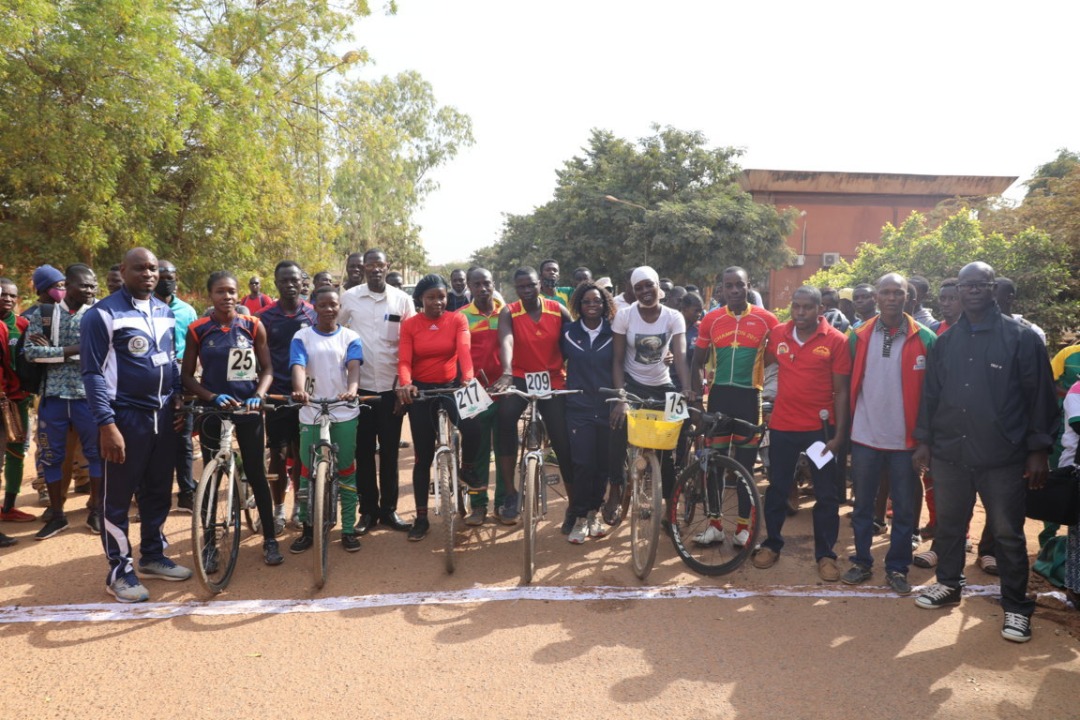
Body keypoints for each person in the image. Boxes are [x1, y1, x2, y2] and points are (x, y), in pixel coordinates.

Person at [912, 261, 1058, 643]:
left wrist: (1038, 450)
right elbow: (931, 396)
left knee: (1008, 534)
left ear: (993, 289)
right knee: (949, 527)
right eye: (966, 285)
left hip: (1002, 457)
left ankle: (1015, 607)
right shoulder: (945, 341)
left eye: (981, 284)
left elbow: (1040, 398)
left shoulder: (1022, 338)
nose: (973, 290)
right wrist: (924, 441)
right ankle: (948, 584)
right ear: (958, 291)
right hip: (950, 454)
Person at [81, 248, 192, 603]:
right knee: (117, 499)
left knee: (158, 490)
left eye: (153, 269)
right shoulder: (103, 314)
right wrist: (106, 424)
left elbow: (170, 361)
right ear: (123, 271)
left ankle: (153, 556)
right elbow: (93, 373)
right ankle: (119, 572)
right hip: (124, 417)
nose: (148, 274)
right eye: (140, 268)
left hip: (162, 416)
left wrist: (177, 396)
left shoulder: (164, 311)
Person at [842, 274, 936, 596]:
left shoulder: (925, 338)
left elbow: (932, 396)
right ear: (877, 298)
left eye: (899, 292)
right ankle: (862, 561)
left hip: (905, 443)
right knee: (862, 507)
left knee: (905, 510)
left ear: (909, 298)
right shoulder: (856, 336)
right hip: (865, 436)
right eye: (886, 292)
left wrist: (924, 441)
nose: (892, 297)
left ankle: (897, 568)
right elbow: (843, 386)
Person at [182, 271, 282, 564]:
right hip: (214, 410)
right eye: (219, 292)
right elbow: (187, 376)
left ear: (239, 294)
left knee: (255, 472)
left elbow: (268, 370)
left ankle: (270, 540)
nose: (226, 297)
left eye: (231, 291)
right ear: (209, 295)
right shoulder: (197, 329)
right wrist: (211, 396)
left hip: (247, 409)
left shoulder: (253, 325)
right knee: (211, 479)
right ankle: (210, 544)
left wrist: (259, 395)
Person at [754, 286, 851, 582]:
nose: (800, 313)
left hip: (820, 434)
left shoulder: (836, 341)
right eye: (796, 307)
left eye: (807, 308)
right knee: (778, 489)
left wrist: (839, 437)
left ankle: (825, 555)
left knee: (825, 494)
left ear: (820, 309)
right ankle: (772, 544)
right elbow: (768, 363)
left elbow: (842, 391)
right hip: (783, 427)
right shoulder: (780, 334)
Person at [688, 267, 778, 546]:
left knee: (744, 467)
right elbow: (697, 362)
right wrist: (695, 399)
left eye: (740, 285)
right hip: (718, 400)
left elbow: (775, 357)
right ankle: (714, 525)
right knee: (713, 465)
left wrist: (756, 375)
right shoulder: (712, 320)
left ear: (748, 285)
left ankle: (743, 528)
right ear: (722, 289)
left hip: (749, 399)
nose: (735, 290)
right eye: (729, 286)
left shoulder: (767, 320)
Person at [337, 249, 415, 534]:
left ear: (387, 266)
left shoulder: (402, 299)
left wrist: (403, 387)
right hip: (361, 390)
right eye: (370, 265)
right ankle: (367, 511)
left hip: (393, 390)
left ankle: (389, 511)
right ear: (363, 268)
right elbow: (337, 330)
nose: (375, 269)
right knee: (364, 451)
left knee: (391, 453)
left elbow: (411, 343)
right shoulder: (350, 298)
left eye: (380, 265)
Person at [24, 264, 104, 539]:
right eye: (85, 285)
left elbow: (101, 354)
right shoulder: (44, 314)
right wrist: (73, 350)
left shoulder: (97, 315)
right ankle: (58, 516)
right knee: (52, 457)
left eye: (94, 286)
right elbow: (32, 354)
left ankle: (95, 511)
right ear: (66, 286)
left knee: (97, 455)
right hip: (53, 397)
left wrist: (53, 351)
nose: (91, 290)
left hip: (88, 396)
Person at [493, 267, 574, 525]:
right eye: (521, 287)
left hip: (552, 379)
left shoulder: (557, 309)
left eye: (531, 285)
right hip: (519, 376)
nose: (527, 291)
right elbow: (506, 340)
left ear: (540, 284)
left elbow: (574, 342)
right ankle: (509, 492)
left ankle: (574, 503)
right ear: (516, 289)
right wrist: (506, 372)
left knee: (562, 436)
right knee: (504, 419)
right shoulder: (510, 311)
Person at [397, 275, 474, 541]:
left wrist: (468, 378)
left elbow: (464, 351)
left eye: (441, 296)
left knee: (474, 426)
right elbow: (404, 360)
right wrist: (406, 384)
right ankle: (420, 518)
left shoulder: (457, 319)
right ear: (420, 299)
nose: (437, 302)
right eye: (431, 297)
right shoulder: (410, 325)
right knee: (422, 458)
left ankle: (467, 473)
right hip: (421, 392)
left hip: (452, 386)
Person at [288, 286, 364, 553]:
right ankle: (309, 529)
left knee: (346, 471)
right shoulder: (302, 336)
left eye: (334, 305)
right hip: (311, 410)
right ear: (315, 308)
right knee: (308, 472)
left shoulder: (351, 337)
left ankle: (347, 529)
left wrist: (352, 391)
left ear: (339, 307)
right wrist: (299, 391)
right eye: (323, 305)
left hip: (343, 410)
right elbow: (298, 364)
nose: (330, 309)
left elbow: (353, 368)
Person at [610, 266, 690, 506]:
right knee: (616, 430)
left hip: (663, 384)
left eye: (649, 285)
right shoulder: (624, 315)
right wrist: (621, 397)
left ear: (658, 287)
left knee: (677, 433)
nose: (645, 291)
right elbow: (617, 359)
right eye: (639, 287)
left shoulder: (673, 317)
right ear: (633, 291)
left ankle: (669, 505)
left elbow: (681, 356)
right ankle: (615, 488)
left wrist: (685, 389)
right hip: (632, 384)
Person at [258, 261, 318, 532]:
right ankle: (277, 509)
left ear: (302, 282)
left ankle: (298, 508)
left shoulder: (314, 314)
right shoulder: (265, 316)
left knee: (303, 455)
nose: (290, 285)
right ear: (276, 283)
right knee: (279, 456)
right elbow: (259, 358)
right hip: (277, 396)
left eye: (295, 280)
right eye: (284, 280)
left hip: (307, 396)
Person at [561, 281, 616, 543]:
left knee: (602, 465)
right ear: (578, 305)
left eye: (597, 301)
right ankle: (580, 517)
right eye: (587, 301)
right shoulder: (568, 332)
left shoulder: (615, 332)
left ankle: (594, 512)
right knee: (583, 463)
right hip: (578, 408)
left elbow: (627, 362)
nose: (592, 305)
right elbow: (554, 362)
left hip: (608, 408)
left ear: (605, 304)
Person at [457, 267, 506, 525]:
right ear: (469, 287)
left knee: (504, 447)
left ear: (493, 283)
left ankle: (503, 504)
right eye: (476, 284)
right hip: (474, 391)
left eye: (486, 283)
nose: (482, 288)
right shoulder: (460, 317)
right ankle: (478, 506)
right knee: (477, 450)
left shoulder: (506, 313)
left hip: (505, 388)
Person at [154, 260, 198, 513]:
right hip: (154, 379)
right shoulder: (145, 308)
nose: (166, 280)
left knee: (183, 438)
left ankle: (186, 491)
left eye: (170, 276)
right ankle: (154, 494)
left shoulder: (187, 311)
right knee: (155, 439)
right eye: (162, 276)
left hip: (182, 378)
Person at [0, 277, 32, 525]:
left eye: (13, 295)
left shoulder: (23, 324)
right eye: (4, 294)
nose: (8, 299)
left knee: (17, 452)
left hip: (17, 399)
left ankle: (9, 506)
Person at [994, 277, 1046, 346]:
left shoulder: (1033, 333)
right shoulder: (978, 330)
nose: (987, 301)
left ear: (1009, 298)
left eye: (993, 296)